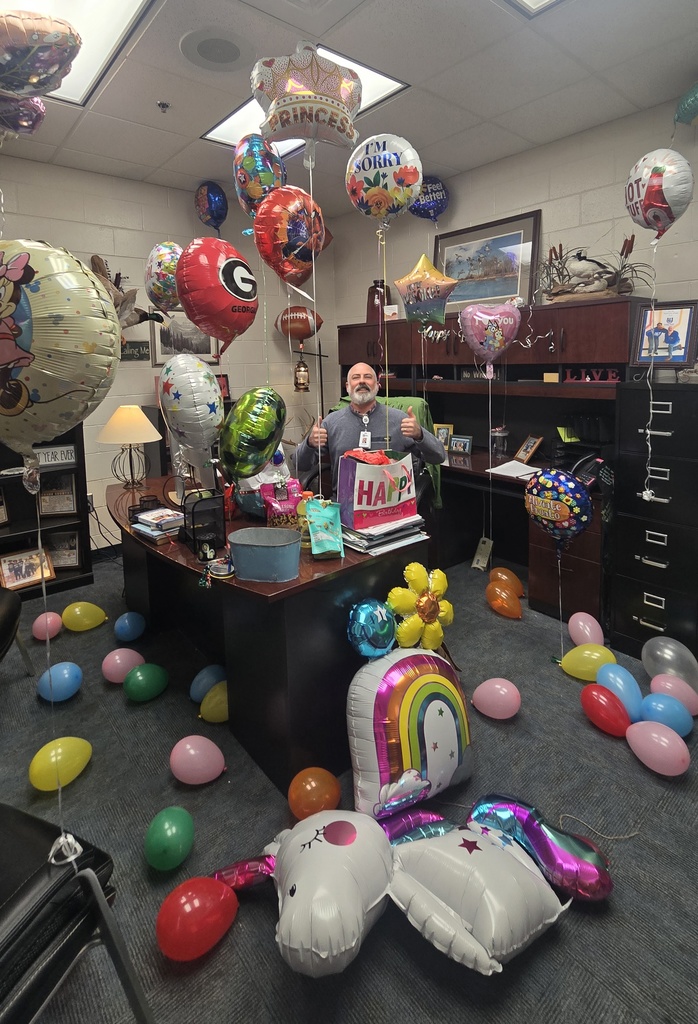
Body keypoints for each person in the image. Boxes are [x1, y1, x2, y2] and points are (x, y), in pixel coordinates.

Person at [295, 362, 446, 499]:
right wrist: (309, 443)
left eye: (367, 377)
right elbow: (299, 464)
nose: (362, 381)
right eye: (356, 377)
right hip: (344, 509)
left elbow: (439, 456)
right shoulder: (331, 422)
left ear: (377, 385)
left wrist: (420, 434)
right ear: (347, 386)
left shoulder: (400, 420)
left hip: (389, 508)